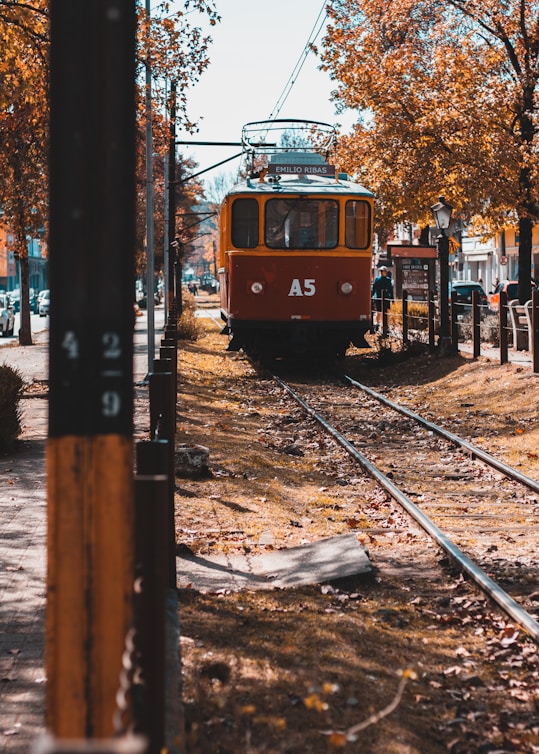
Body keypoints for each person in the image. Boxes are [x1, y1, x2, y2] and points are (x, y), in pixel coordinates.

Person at [372, 266, 394, 331]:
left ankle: (386, 325)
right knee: (379, 312)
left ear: (386, 272)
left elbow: (391, 290)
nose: (382, 272)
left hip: (386, 298)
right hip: (378, 297)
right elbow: (374, 288)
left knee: (387, 312)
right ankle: (377, 324)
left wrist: (392, 299)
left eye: (383, 271)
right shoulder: (377, 279)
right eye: (381, 271)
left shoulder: (388, 280)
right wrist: (372, 296)